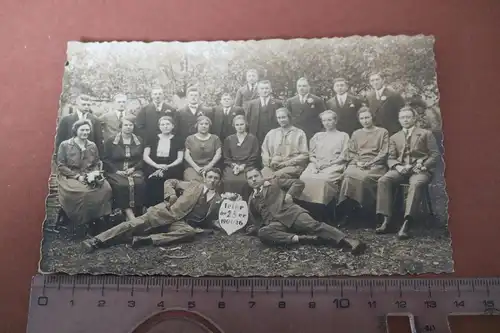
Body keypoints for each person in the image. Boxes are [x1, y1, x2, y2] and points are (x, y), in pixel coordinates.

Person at [82, 168, 225, 252]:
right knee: (133, 224)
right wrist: (171, 195)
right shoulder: (194, 185)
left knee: (189, 232)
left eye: (216, 178)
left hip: (179, 223)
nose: (212, 180)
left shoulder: (218, 199)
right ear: (205, 178)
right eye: (210, 177)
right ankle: (97, 240)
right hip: (165, 212)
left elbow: (212, 219)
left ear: (219, 181)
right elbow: (170, 182)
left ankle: (147, 240)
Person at [244, 168, 366, 255]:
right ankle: (303, 239)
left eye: (256, 176)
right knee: (263, 233)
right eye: (250, 178)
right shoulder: (252, 199)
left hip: (291, 213)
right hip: (276, 224)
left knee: (314, 226)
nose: (254, 179)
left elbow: (298, 183)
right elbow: (258, 219)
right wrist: (256, 228)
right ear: (248, 182)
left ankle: (349, 241)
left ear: (261, 176)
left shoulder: (274, 182)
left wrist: (290, 195)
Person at [375, 106, 440, 239]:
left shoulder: (425, 133)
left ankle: (407, 222)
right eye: (402, 117)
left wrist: (424, 166)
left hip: (420, 170)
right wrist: (398, 167)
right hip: (402, 169)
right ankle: (387, 219)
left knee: (415, 184)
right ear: (399, 120)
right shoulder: (394, 137)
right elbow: (391, 158)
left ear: (414, 118)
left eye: (408, 117)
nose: (405, 120)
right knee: (383, 180)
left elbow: (435, 154)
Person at [56, 119, 112, 239]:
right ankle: (86, 222)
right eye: (82, 130)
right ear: (76, 130)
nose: (85, 132)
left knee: (106, 188)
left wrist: (94, 173)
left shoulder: (92, 145)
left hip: (88, 174)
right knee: (84, 193)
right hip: (70, 176)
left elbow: (97, 162)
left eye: (87, 130)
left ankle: (98, 218)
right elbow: (61, 165)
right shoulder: (65, 145)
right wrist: (77, 176)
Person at [337, 107, 389, 224]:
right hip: (358, 163)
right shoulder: (356, 133)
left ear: (372, 118)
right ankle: (348, 211)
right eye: (362, 118)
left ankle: (367, 211)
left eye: (367, 117)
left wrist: (370, 163)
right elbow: (351, 151)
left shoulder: (382, 132)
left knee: (364, 178)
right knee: (347, 176)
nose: (365, 121)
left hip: (376, 164)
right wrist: (357, 161)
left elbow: (384, 152)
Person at [299, 110, 349, 209]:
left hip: (334, 165)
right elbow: (311, 155)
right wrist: (316, 163)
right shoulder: (318, 136)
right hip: (316, 164)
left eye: (329, 120)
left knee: (323, 180)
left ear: (335, 121)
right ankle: (307, 207)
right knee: (304, 178)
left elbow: (344, 156)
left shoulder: (343, 136)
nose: (327, 123)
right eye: (324, 120)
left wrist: (328, 164)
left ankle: (322, 208)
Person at [102, 116, 145, 221]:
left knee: (139, 183)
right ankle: (128, 213)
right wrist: (116, 171)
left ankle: (137, 212)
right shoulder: (111, 141)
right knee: (121, 185)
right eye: (126, 125)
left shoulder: (139, 140)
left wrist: (134, 168)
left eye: (131, 125)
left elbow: (142, 158)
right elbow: (105, 159)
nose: (128, 127)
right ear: (121, 127)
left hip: (134, 169)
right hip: (115, 170)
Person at [142, 116, 184, 207]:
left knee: (167, 180)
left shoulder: (178, 139)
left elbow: (179, 158)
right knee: (153, 179)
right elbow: (145, 156)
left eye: (168, 124)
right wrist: (156, 166)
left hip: (172, 166)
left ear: (172, 126)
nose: (165, 126)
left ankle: (168, 207)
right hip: (154, 165)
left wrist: (168, 166)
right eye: (163, 124)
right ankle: (153, 208)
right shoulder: (152, 138)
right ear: (159, 126)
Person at [261, 108, 309, 179]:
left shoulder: (299, 133)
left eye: (283, 117)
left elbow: (305, 154)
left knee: (275, 176)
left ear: (289, 117)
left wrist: (286, 163)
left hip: (292, 166)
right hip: (273, 165)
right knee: (261, 175)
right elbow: (264, 150)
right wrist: (269, 162)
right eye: (279, 118)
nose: (281, 120)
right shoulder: (271, 133)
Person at [222, 115, 260, 199]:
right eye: (237, 125)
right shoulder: (229, 139)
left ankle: (246, 202)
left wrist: (244, 166)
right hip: (232, 166)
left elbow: (254, 155)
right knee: (228, 180)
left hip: (248, 166)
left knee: (245, 181)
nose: (239, 127)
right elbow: (226, 156)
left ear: (246, 124)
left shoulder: (252, 139)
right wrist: (234, 165)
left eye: (241, 124)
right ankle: (229, 202)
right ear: (234, 126)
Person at [366, 72, 406, 136]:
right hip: (376, 133)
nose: (375, 83)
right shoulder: (369, 97)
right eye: (372, 80)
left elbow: (403, 112)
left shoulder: (393, 95)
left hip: (392, 132)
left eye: (377, 80)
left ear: (383, 80)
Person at [184, 116, 222, 182]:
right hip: (193, 167)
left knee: (211, 181)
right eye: (201, 124)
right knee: (194, 183)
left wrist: (209, 166)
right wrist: (196, 168)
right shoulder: (190, 138)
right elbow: (187, 156)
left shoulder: (215, 138)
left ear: (209, 126)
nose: (204, 126)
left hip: (211, 167)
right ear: (197, 125)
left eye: (206, 124)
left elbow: (218, 154)